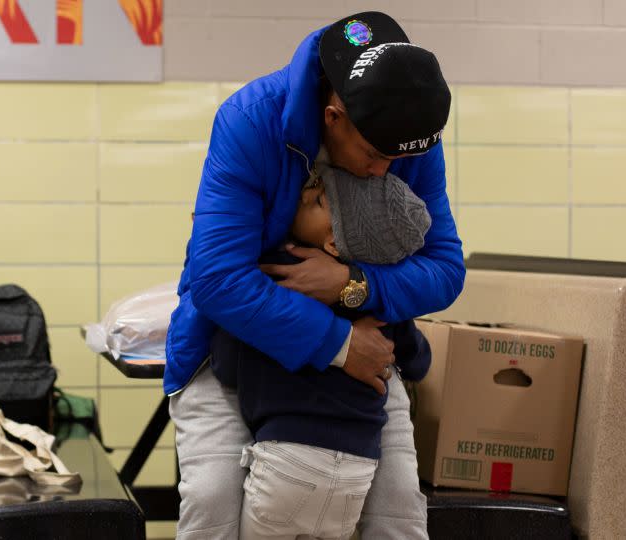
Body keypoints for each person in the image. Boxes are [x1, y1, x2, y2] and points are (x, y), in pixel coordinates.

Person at [165, 11, 465, 540]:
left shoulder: (406, 141)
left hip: (367, 345)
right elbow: (216, 278)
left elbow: (444, 269)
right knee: (212, 504)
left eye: (398, 159)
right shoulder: (251, 119)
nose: (385, 171)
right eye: (374, 155)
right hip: (233, 344)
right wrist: (340, 342)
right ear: (333, 116)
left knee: (398, 510)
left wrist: (352, 286)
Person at [210, 165, 433, 540]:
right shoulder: (377, 293)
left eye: (315, 201)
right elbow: (418, 360)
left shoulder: (276, 271)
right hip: (357, 473)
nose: (302, 197)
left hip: (285, 461)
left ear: (332, 241)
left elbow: (228, 366)